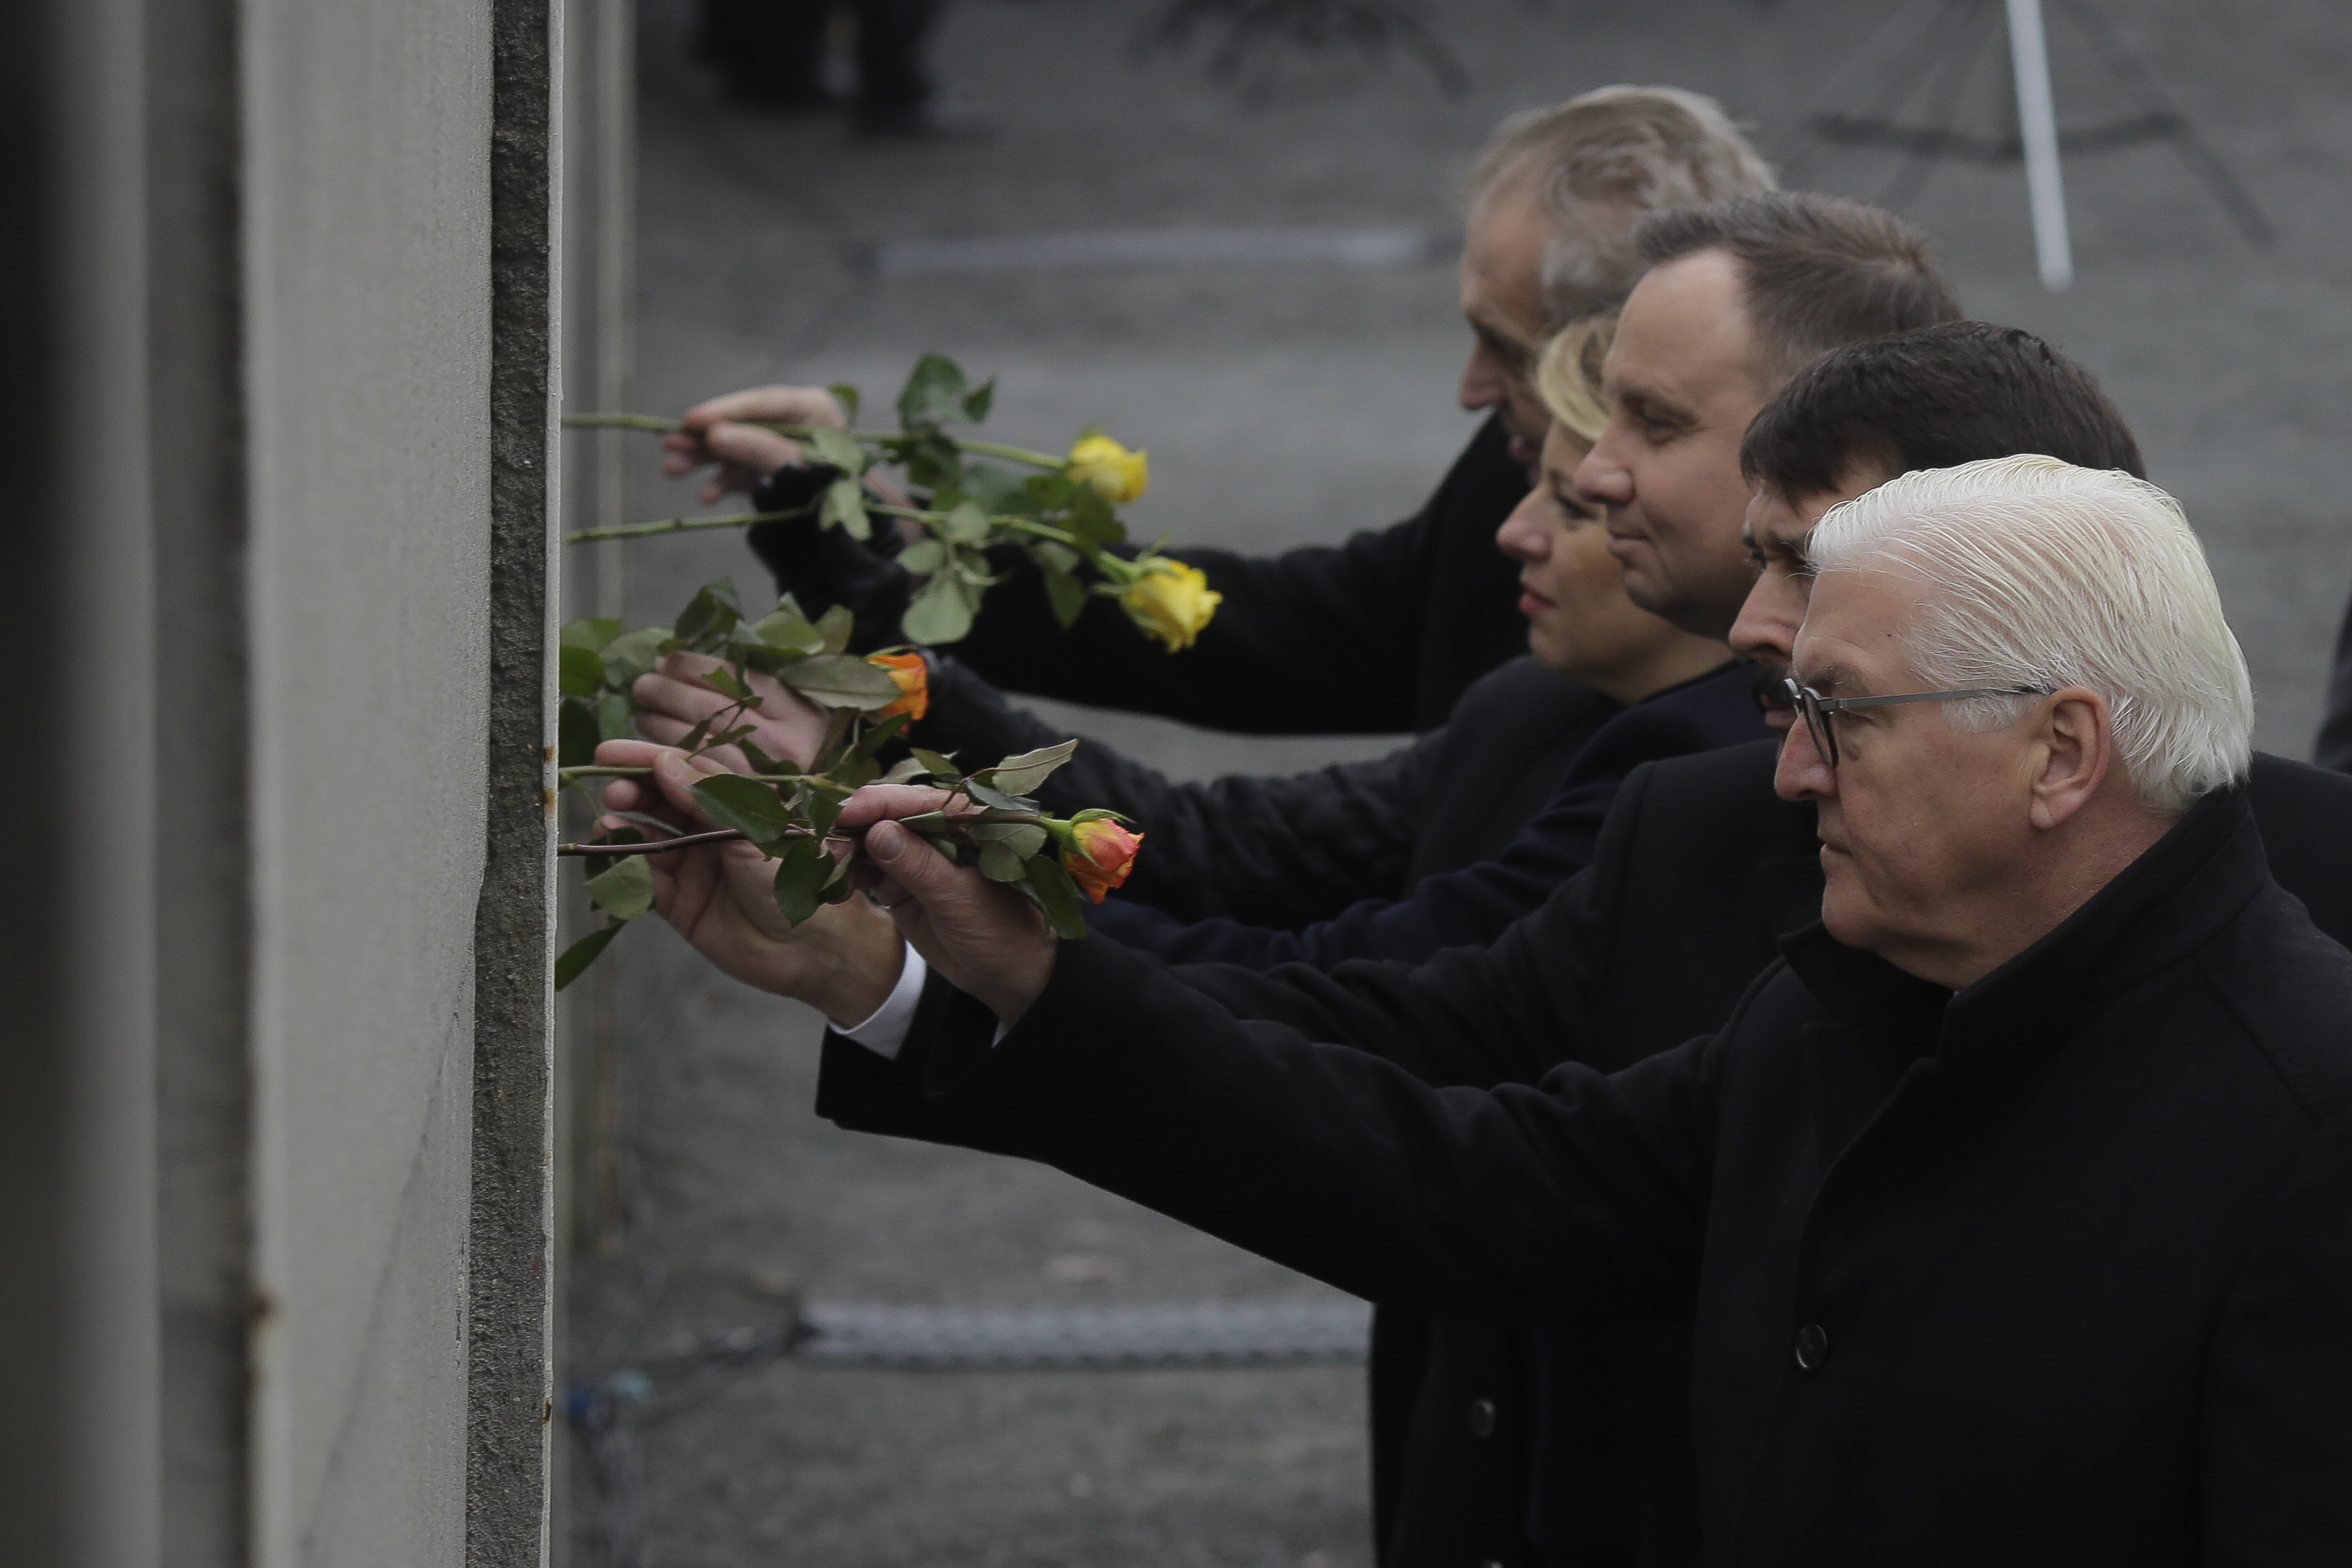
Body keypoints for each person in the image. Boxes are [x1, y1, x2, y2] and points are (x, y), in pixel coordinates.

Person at [614, 458, 2352, 1564]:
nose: (1791, 768)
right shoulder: (1851, 1007)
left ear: (2059, 750)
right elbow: (1448, 1177)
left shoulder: (2303, 1115)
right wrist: (944, 976)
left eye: (1839, 711)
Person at [659, 86, 1775, 735]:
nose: (1472, 391)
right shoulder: (1521, 459)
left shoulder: (1761, 653)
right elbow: (1313, 629)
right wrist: (889, 535)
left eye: (1506, 349)